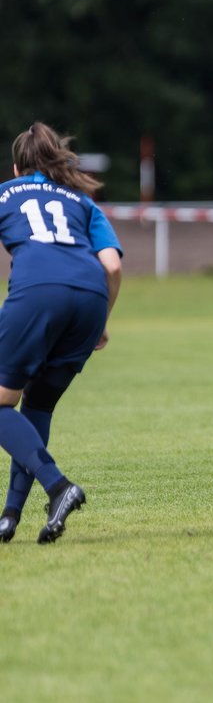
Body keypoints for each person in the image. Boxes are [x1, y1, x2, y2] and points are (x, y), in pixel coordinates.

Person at [0, 123, 122, 544]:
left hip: (37, 292)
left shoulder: (4, 193)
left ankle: (58, 486)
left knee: (0, 402)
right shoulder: (82, 201)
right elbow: (113, 266)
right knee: (38, 406)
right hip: (90, 300)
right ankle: (10, 516)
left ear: (17, 168)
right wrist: (101, 318)